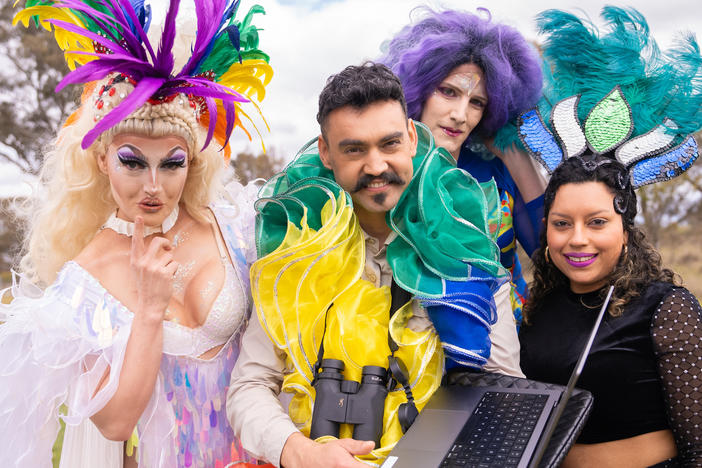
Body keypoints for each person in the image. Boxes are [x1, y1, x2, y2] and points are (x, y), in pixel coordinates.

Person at [2, 1, 272, 466]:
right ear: (102, 159)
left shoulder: (234, 226)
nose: (153, 185)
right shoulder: (83, 281)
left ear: (194, 162)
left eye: (172, 164)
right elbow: (114, 422)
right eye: (132, 161)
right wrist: (149, 307)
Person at [227, 62, 520, 468]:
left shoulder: (468, 253)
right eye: (354, 149)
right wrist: (301, 453)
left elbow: (503, 395)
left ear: (413, 139)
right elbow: (250, 385)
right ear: (326, 154)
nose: (377, 166)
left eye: (390, 144)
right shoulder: (295, 253)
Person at [517, 7, 702, 467]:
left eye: (597, 222)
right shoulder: (540, 307)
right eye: (562, 223)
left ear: (625, 228)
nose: (577, 239)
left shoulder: (667, 308)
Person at [380, 8, 545, 325]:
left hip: (508, 341)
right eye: (448, 91)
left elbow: (554, 253)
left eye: (477, 102)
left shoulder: (496, 171)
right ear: (417, 90)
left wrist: (516, 157)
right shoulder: (382, 171)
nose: (460, 114)